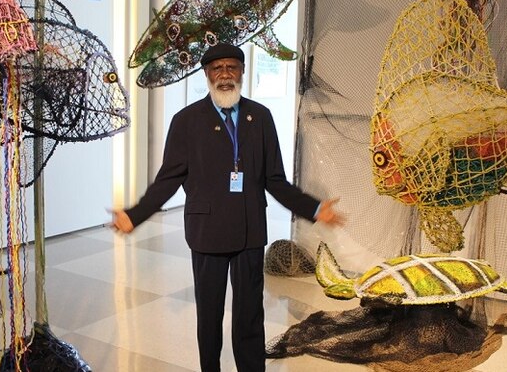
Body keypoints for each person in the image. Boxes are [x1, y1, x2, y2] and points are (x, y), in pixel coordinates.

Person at [111, 42, 343, 372]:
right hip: (207, 233)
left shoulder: (259, 117)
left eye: (231, 68)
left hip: (249, 231)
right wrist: (135, 215)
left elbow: (275, 180)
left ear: (242, 72)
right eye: (217, 69)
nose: (225, 75)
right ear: (207, 74)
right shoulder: (186, 121)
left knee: (250, 317)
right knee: (210, 318)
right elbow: (168, 179)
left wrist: (315, 209)